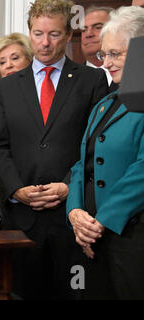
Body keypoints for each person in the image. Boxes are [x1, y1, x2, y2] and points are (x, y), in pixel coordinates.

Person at [0, 0, 108, 299]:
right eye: (38, 34)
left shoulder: (92, 81)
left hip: (73, 216)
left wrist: (68, 186)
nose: (45, 42)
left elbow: (98, 145)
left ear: (67, 35)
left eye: (54, 34)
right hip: (22, 220)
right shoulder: (7, 86)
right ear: (29, 32)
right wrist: (15, 190)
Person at [67, 5, 144, 300]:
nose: (106, 62)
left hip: (132, 239)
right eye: (104, 54)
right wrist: (75, 212)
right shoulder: (104, 102)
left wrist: (101, 221)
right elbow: (81, 164)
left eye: (115, 54)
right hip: (93, 239)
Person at [81, 6, 117, 91]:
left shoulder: (131, 73)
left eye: (98, 27)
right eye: (84, 30)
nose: (88, 34)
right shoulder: (71, 77)